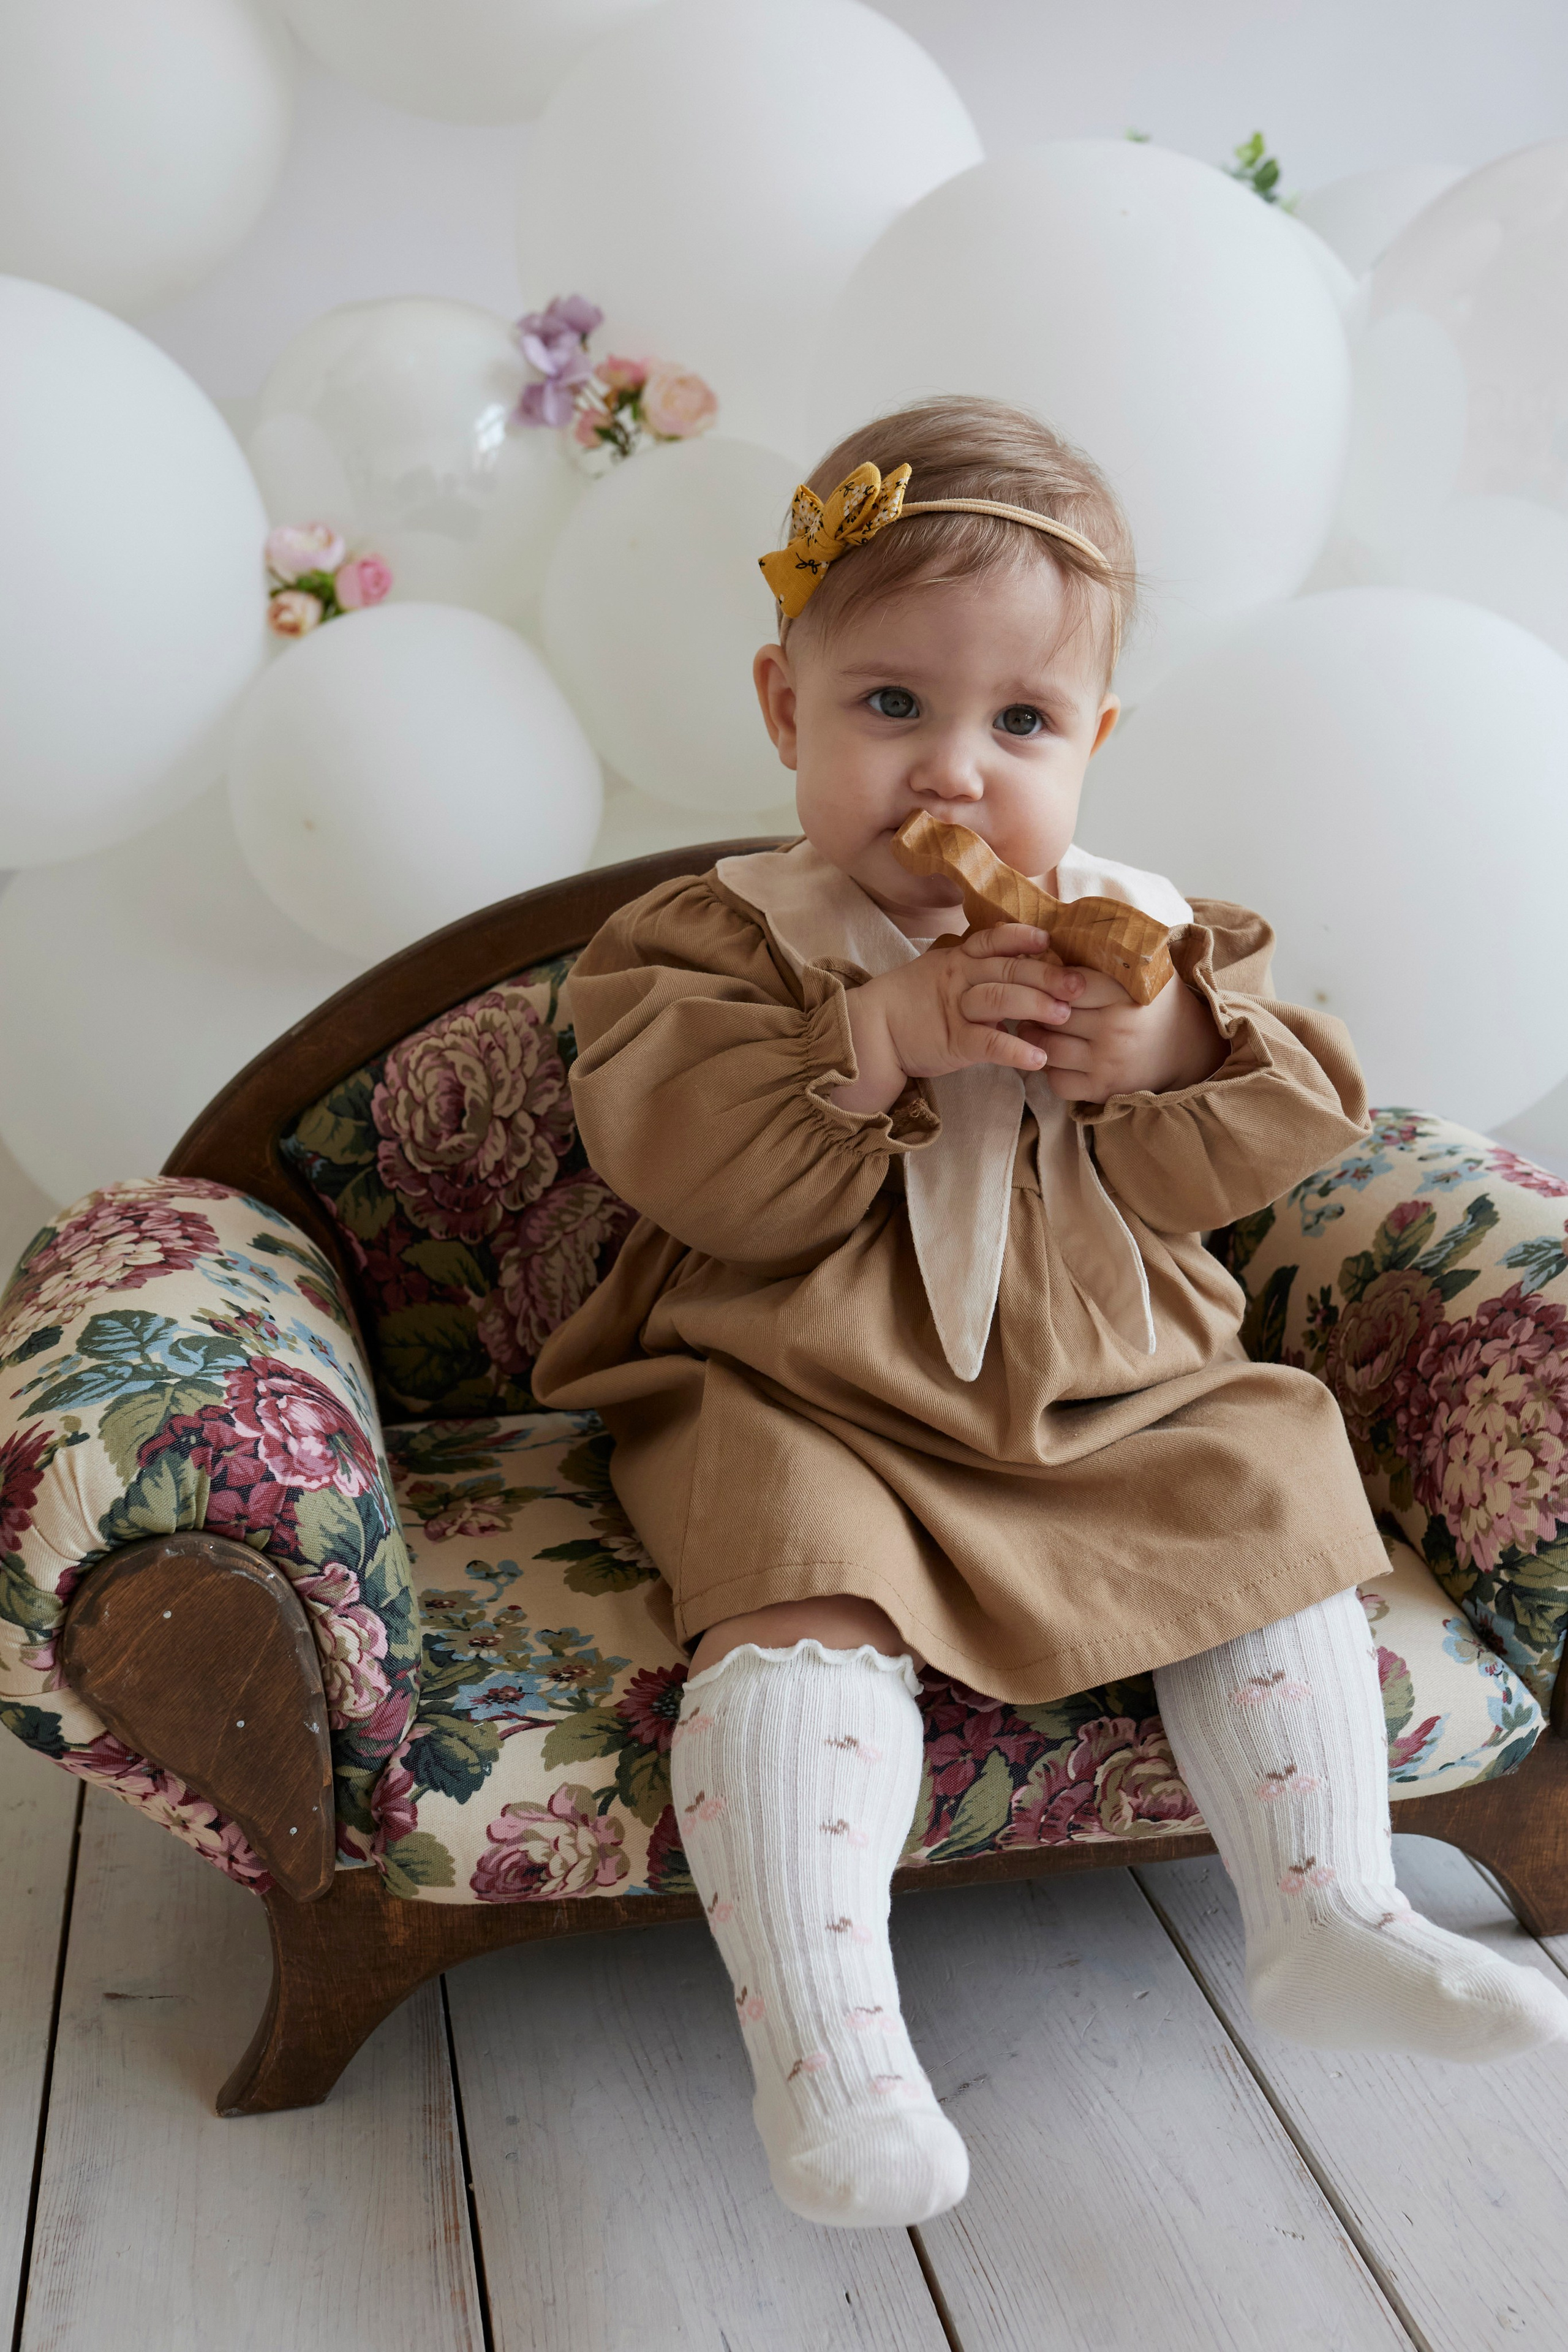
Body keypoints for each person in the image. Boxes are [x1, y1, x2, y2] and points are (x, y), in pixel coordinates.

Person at [531, 396, 1568, 2230]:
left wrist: (1163, 1047)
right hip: (807, 1385)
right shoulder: (712, 942)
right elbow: (701, 1171)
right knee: (791, 1578)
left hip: (1105, 1387)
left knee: (1264, 1478)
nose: (953, 774)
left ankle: (1330, 1909)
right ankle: (831, 2037)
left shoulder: (1148, 935)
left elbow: (1252, 1153)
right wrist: (880, 1036)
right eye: (890, 707)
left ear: (1094, 738)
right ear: (786, 708)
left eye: (1019, 721)